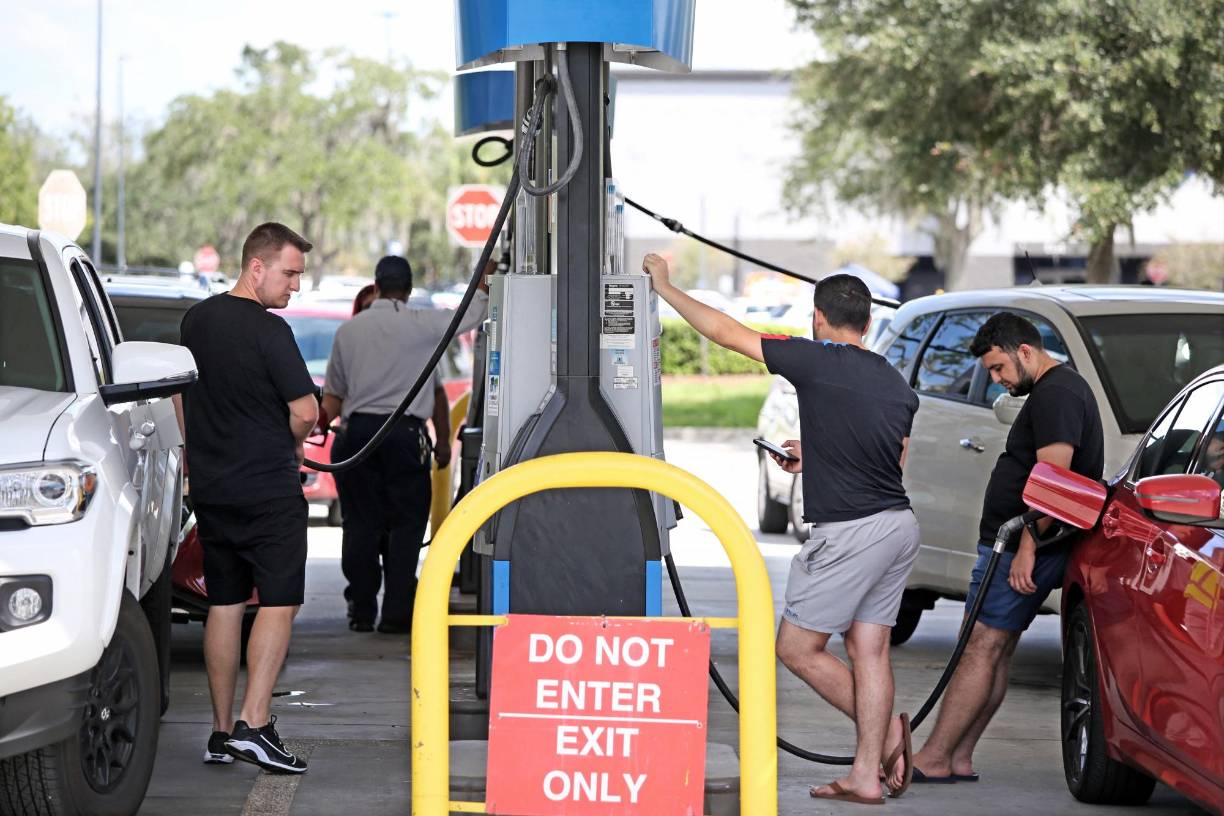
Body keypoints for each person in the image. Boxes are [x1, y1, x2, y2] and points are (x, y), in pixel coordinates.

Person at [643, 254, 920, 804]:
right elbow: (893, 460)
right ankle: (866, 774)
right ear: (868, 323)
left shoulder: (815, 358)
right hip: (898, 526)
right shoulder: (894, 382)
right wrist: (815, 456)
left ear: (818, 319)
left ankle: (886, 732)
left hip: (850, 532)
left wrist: (664, 287)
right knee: (870, 649)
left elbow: (726, 332)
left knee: (796, 648)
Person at [911, 311, 1104, 783]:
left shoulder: (1056, 393)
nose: (996, 380)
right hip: (1016, 541)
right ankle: (958, 758)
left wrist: (1028, 545)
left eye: (999, 368)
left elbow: (1055, 480)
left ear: (1025, 351)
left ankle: (933, 757)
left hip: (1017, 544)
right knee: (994, 650)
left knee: (979, 648)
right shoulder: (1057, 389)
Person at [176, 222, 317, 774]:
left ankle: (219, 732)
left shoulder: (196, 320)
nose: (295, 287)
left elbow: (180, 397)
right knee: (280, 602)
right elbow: (305, 410)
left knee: (225, 603)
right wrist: (295, 443)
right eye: (290, 273)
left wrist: (199, 457)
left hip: (212, 488)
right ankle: (254, 726)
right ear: (256, 267)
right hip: (267, 491)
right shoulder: (269, 331)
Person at [321, 256, 488, 634]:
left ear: (376, 286)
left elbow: (334, 395)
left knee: (360, 525)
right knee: (407, 526)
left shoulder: (349, 332)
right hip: (404, 436)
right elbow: (471, 313)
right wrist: (484, 278)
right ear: (409, 290)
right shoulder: (422, 324)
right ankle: (397, 613)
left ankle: (361, 611)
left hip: (357, 436)